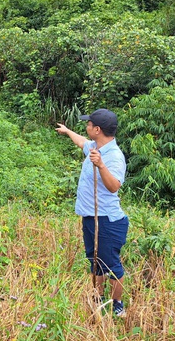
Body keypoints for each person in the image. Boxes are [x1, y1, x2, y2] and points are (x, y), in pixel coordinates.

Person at [56, 108, 128, 317]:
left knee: (111, 265)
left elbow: (114, 186)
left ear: (97, 129)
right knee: (95, 261)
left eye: (88, 124)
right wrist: (67, 131)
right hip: (91, 218)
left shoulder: (113, 156)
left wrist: (101, 165)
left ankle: (117, 306)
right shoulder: (95, 147)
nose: (86, 127)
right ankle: (97, 298)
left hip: (107, 220)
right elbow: (81, 142)